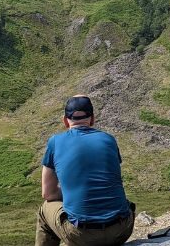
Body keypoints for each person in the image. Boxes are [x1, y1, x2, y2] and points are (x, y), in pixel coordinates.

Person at [36, 96, 134, 246]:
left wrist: (72, 192)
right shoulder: (109, 139)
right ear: (92, 119)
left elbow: (48, 193)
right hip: (121, 229)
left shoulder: (55, 142)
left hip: (82, 235)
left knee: (44, 211)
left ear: (65, 121)